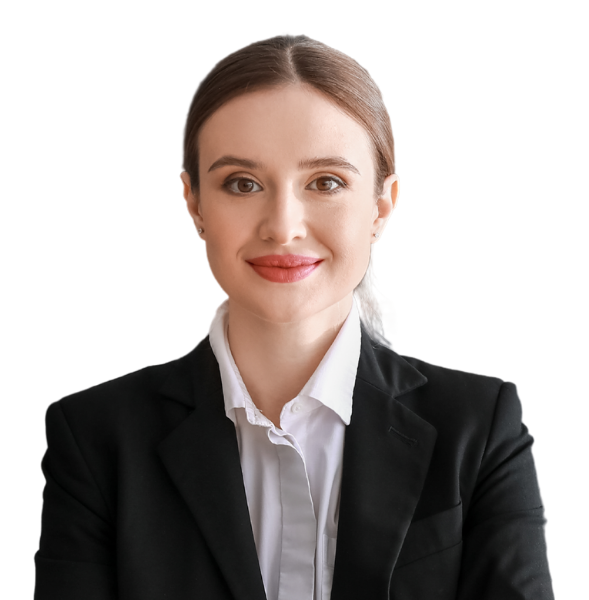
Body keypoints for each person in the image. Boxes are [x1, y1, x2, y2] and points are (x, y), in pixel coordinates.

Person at [34, 35, 554, 600]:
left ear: (381, 205)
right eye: (243, 184)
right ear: (195, 203)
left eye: (326, 182)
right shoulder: (96, 439)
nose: (283, 226)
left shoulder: (479, 430)